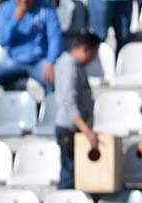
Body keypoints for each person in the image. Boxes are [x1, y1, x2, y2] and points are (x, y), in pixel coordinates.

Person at [0, 0, 63, 102]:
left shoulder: (47, 9)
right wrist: (16, 19)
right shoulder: (6, 8)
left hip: (38, 60)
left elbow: (55, 39)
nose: (25, 1)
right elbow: (2, 40)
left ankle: (49, 110)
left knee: (53, 80)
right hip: (12, 59)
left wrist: (51, 62)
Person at [53, 31, 101, 191]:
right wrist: (87, 130)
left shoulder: (74, 66)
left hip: (74, 129)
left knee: (76, 174)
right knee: (69, 175)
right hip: (69, 129)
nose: (94, 58)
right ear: (85, 49)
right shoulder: (70, 67)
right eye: (94, 54)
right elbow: (69, 103)